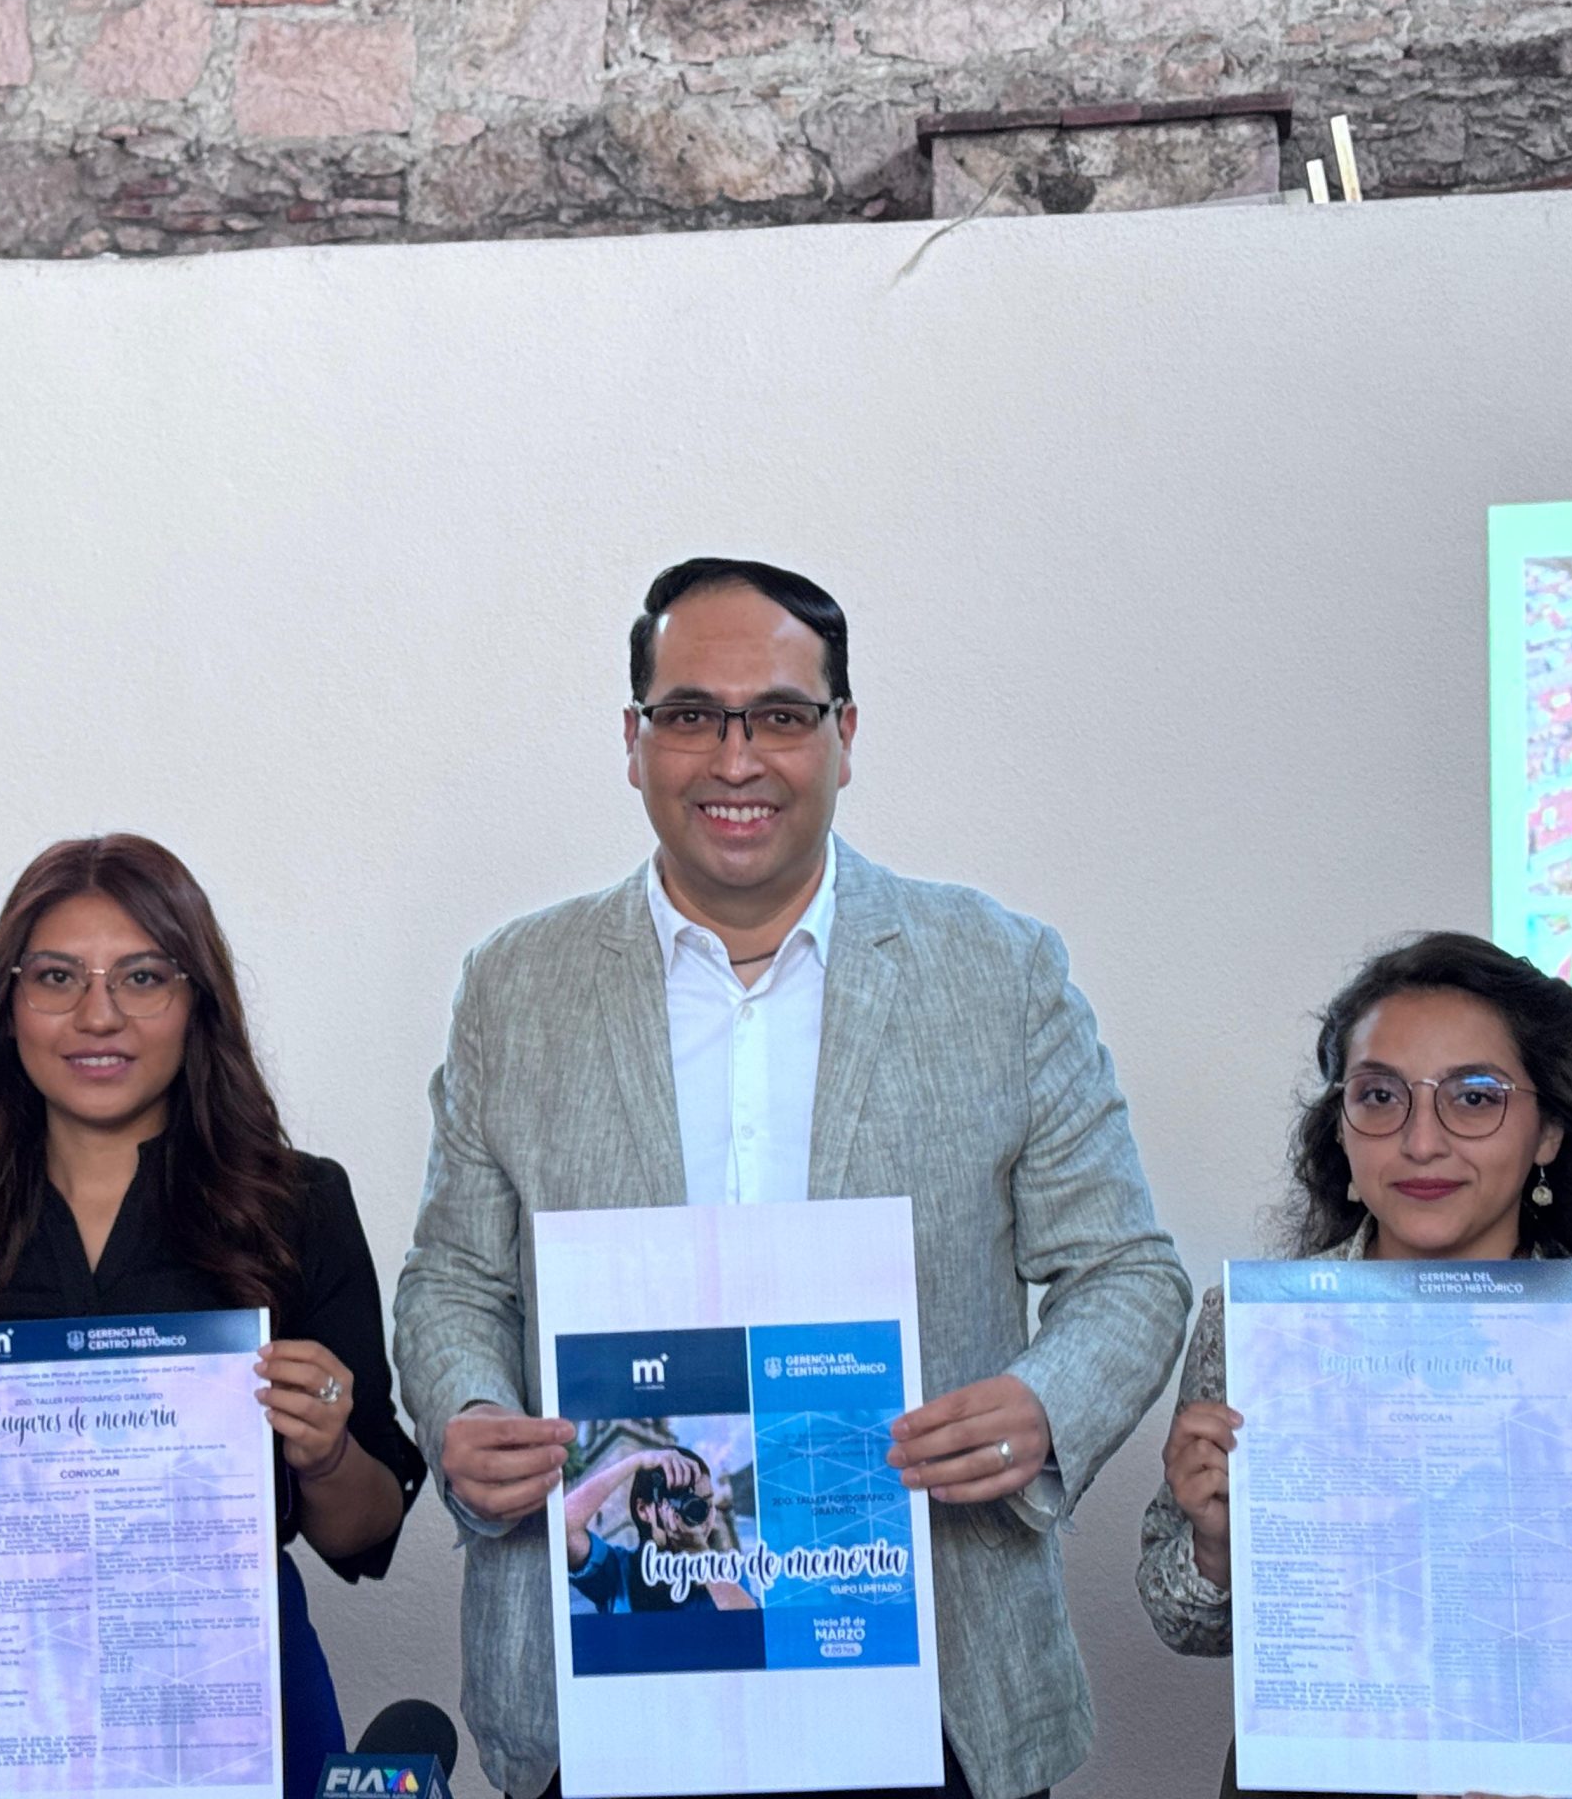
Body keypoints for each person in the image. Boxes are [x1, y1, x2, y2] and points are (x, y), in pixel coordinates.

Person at [392, 557, 1192, 1799]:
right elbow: (452, 1278)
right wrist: (465, 1413)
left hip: (931, 1678)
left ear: (843, 735)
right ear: (634, 738)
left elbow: (1127, 1274)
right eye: (690, 716)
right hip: (608, 1665)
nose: (734, 758)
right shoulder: (516, 984)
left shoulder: (996, 968)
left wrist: (1043, 1405)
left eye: (778, 715)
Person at [0, 833, 426, 1799]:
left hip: (232, 1704)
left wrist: (322, 1452)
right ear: (7, 1005)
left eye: (143, 976)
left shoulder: (296, 1205)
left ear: (197, 1003)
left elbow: (365, 1529)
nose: (96, 1014)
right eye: (57, 976)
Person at [1138, 931, 1572, 1799]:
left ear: (1549, 1134)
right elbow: (1181, 1622)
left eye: (1475, 1097)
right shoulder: (1257, 1328)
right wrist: (1214, 1544)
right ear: (1342, 1129)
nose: (1422, 1142)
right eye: (1380, 1097)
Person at [563, 1445, 754, 1614]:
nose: (699, 1516)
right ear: (644, 1509)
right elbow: (562, 1528)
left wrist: (700, 1555)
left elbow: (754, 1633)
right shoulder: (619, 1572)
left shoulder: (728, 1573)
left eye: (706, 1504)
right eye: (685, 1502)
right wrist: (637, 1461)